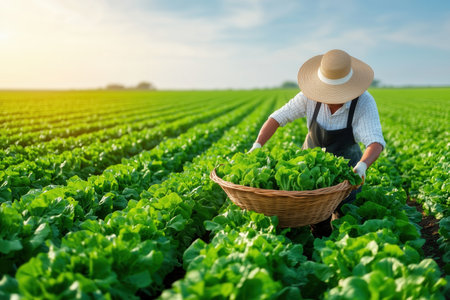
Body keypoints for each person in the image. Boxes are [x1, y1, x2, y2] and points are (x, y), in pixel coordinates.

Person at [248, 49, 386, 238]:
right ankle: (318, 238)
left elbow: (375, 141)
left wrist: (362, 166)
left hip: (346, 173)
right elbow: (277, 118)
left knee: (345, 218)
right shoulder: (308, 96)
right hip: (311, 173)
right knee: (316, 220)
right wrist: (257, 145)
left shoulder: (364, 102)